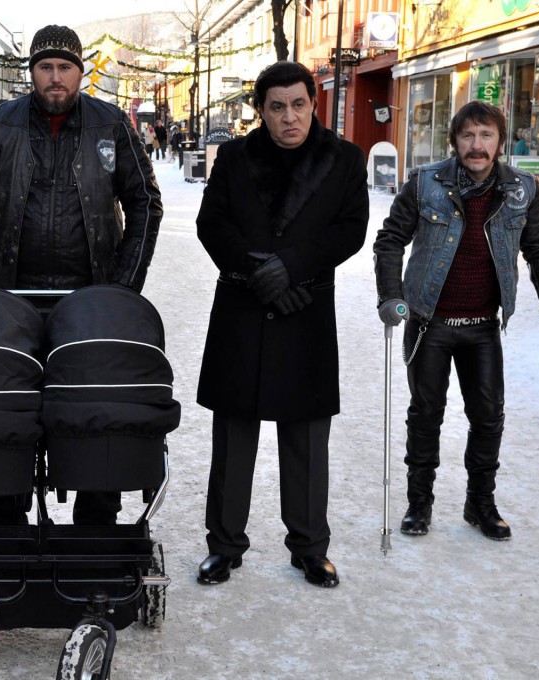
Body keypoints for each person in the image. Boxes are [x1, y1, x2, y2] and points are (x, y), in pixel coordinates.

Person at [0, 24, 162, 526]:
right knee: (7, 405)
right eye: (46, 67)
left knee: (95, 405)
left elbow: (145, 202)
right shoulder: (1, 122)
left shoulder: (110, 124)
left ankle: (97, 512)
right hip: (9, 295)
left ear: (81, 73)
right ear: (32, 73)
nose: (55, 78)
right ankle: (3, 508)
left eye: (65, 67)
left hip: (92, 297)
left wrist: (123, 287)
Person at [194, 61, 368, 588]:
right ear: (261, 112)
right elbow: (211, 224)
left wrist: (292, 267)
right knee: (234, 437)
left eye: (298, 104)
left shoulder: (344, 160)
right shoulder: (234, 158)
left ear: (314, 104)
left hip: (306, 309)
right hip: (243, 310)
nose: (289, 117)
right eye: (276, 107)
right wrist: (257, 272)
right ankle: (224, 546)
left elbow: (350, 229)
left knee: (307, 438)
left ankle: (310, 547)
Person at [373, 100, 539, 542]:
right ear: (454, 140)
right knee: (426, 415)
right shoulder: (425, 184)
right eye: (468, 136)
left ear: (500, 142)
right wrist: (391, 296)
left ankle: (480, 503)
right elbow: (389, 242)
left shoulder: (521, 189)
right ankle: (418, 504)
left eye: (486, 136)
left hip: (482, 326)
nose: (476, 145)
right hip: (429, 323)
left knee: (488, 417)